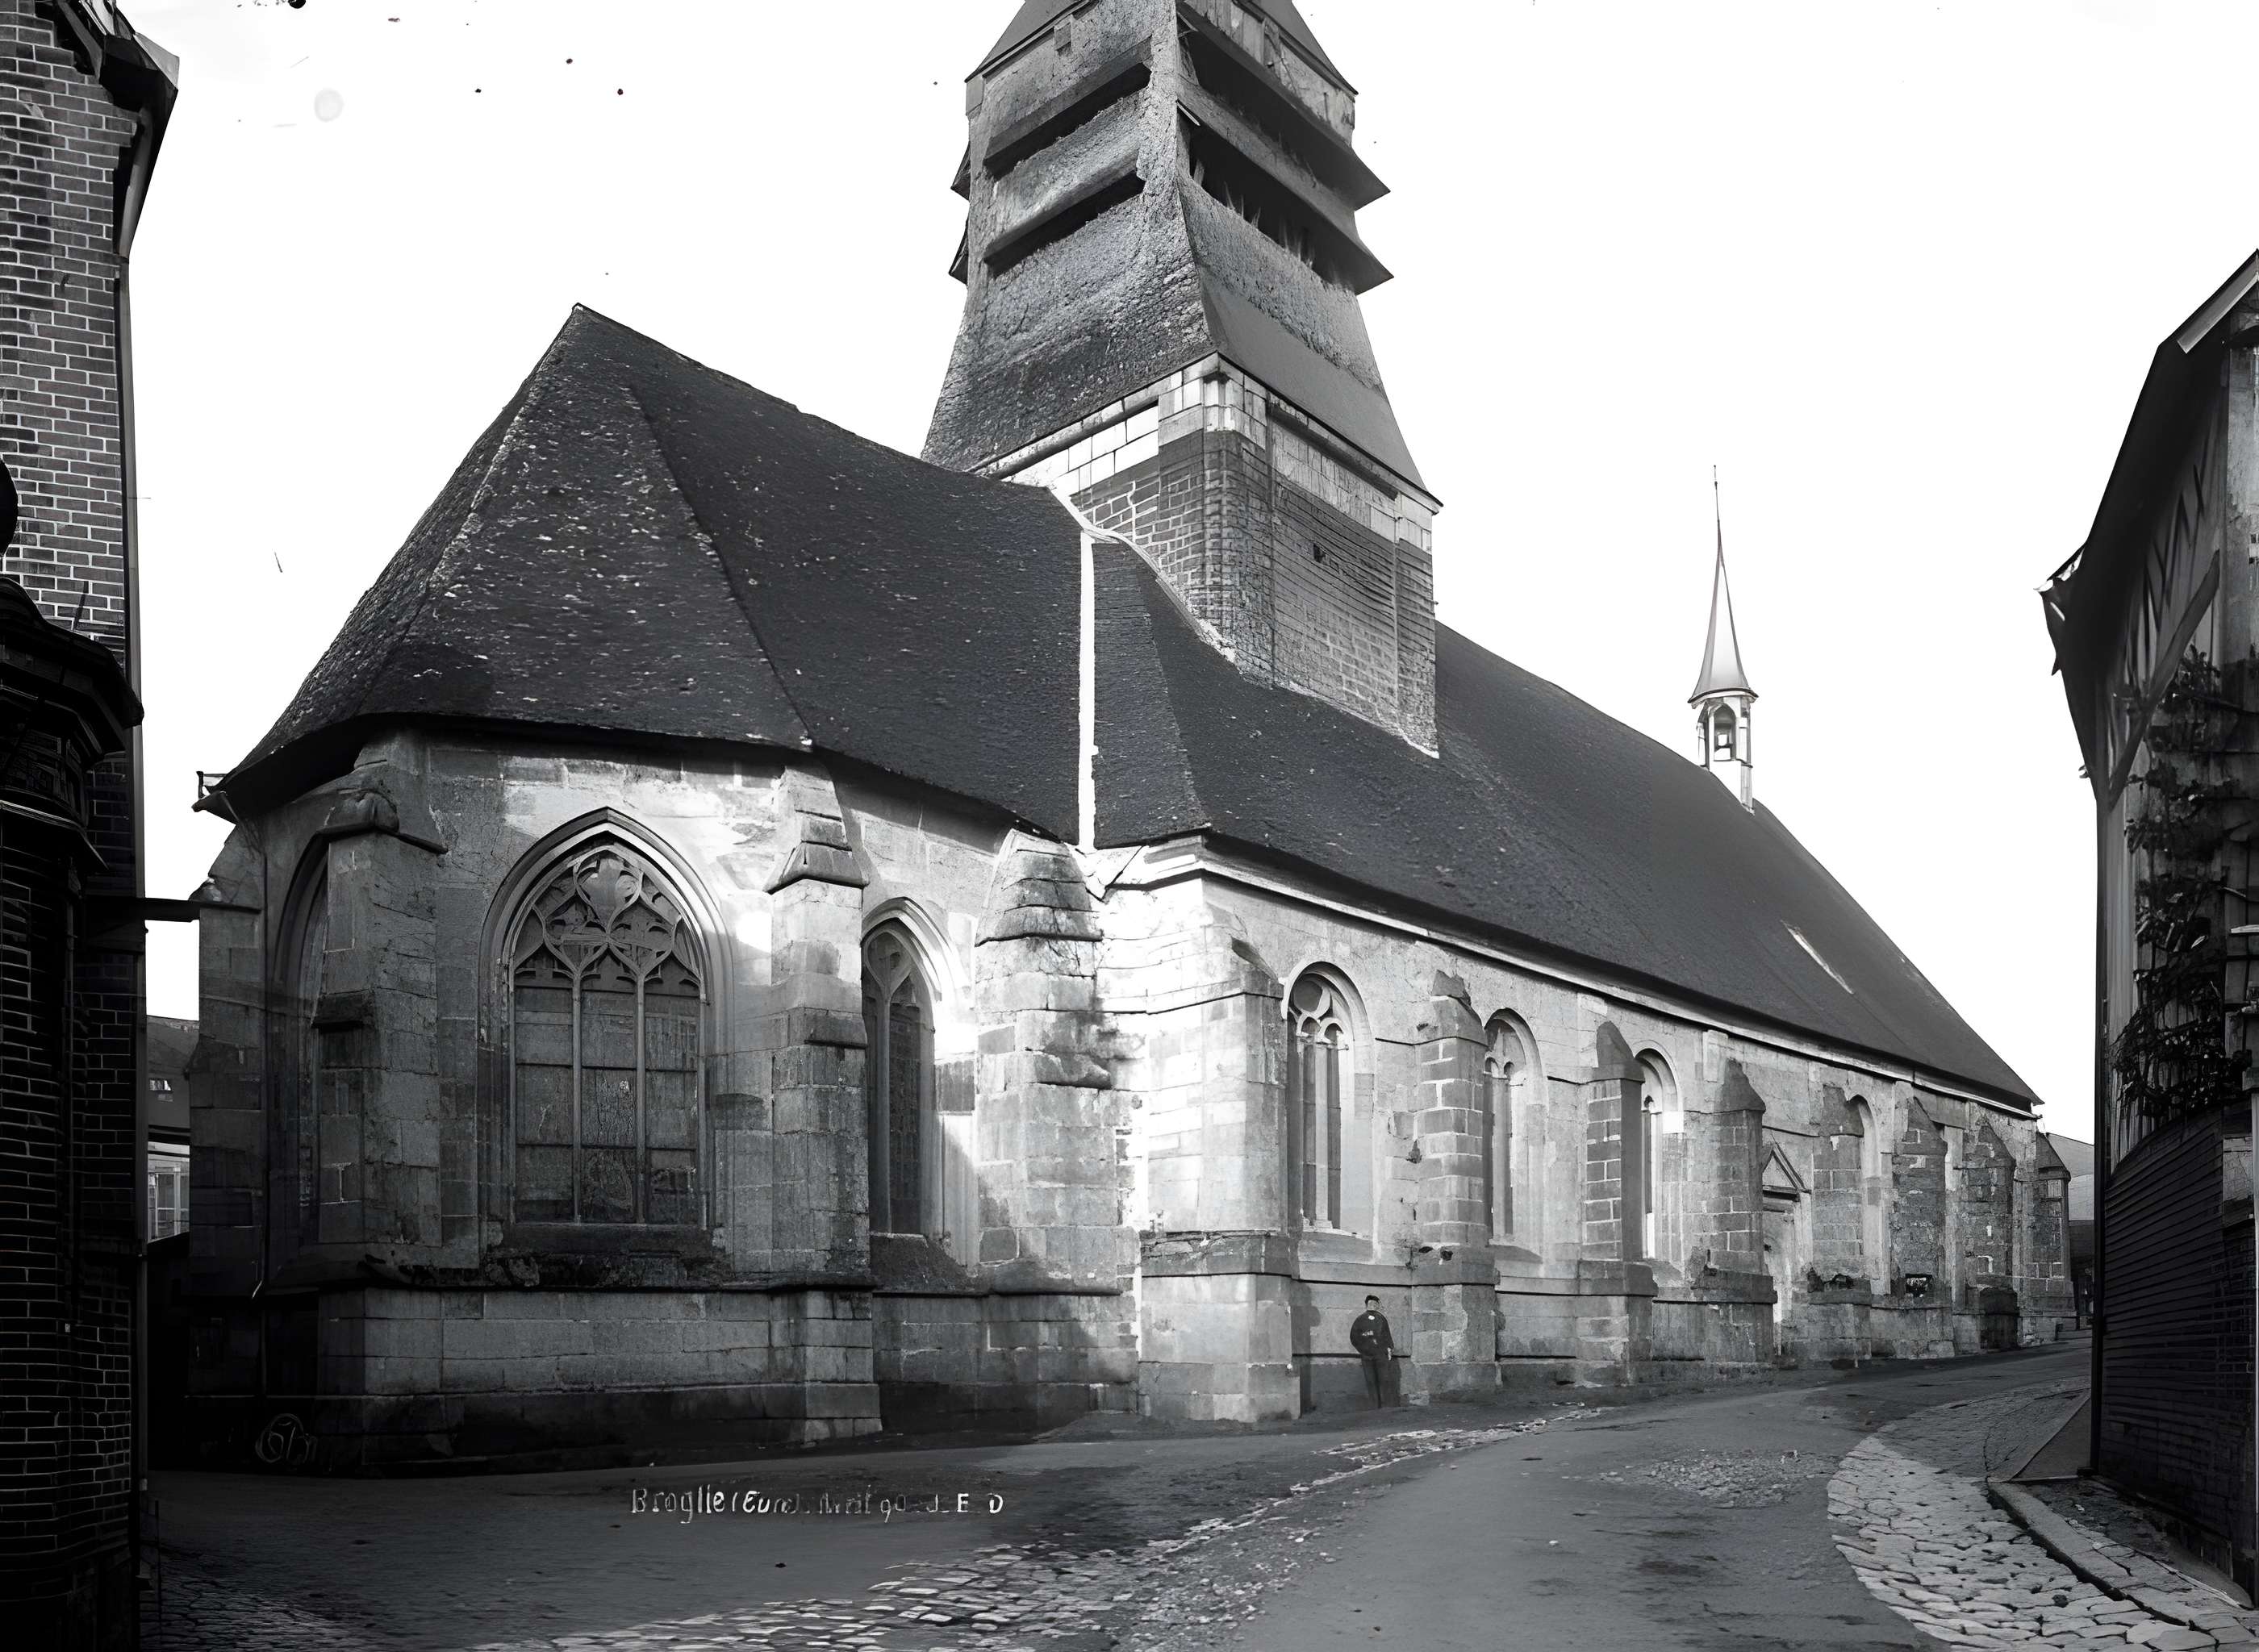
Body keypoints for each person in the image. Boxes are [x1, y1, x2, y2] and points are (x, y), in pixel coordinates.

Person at [1350, 1294, 1395, 1408]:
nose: (1373, 1306)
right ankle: (1374, 1406)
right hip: (1367, 1356)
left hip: (1381, 1355)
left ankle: (1387, 1406)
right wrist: (1363, 1349)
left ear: (1378, 1306)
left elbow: (1387, 1335)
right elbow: (1354, 1337)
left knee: (1384, 1379)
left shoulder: (1381, 1319)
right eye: (1370, 1304)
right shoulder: (1360, 1320)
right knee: (1371, 1380)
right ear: (1366, 1305)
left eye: (1375, 1304)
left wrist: (1389, 1349)